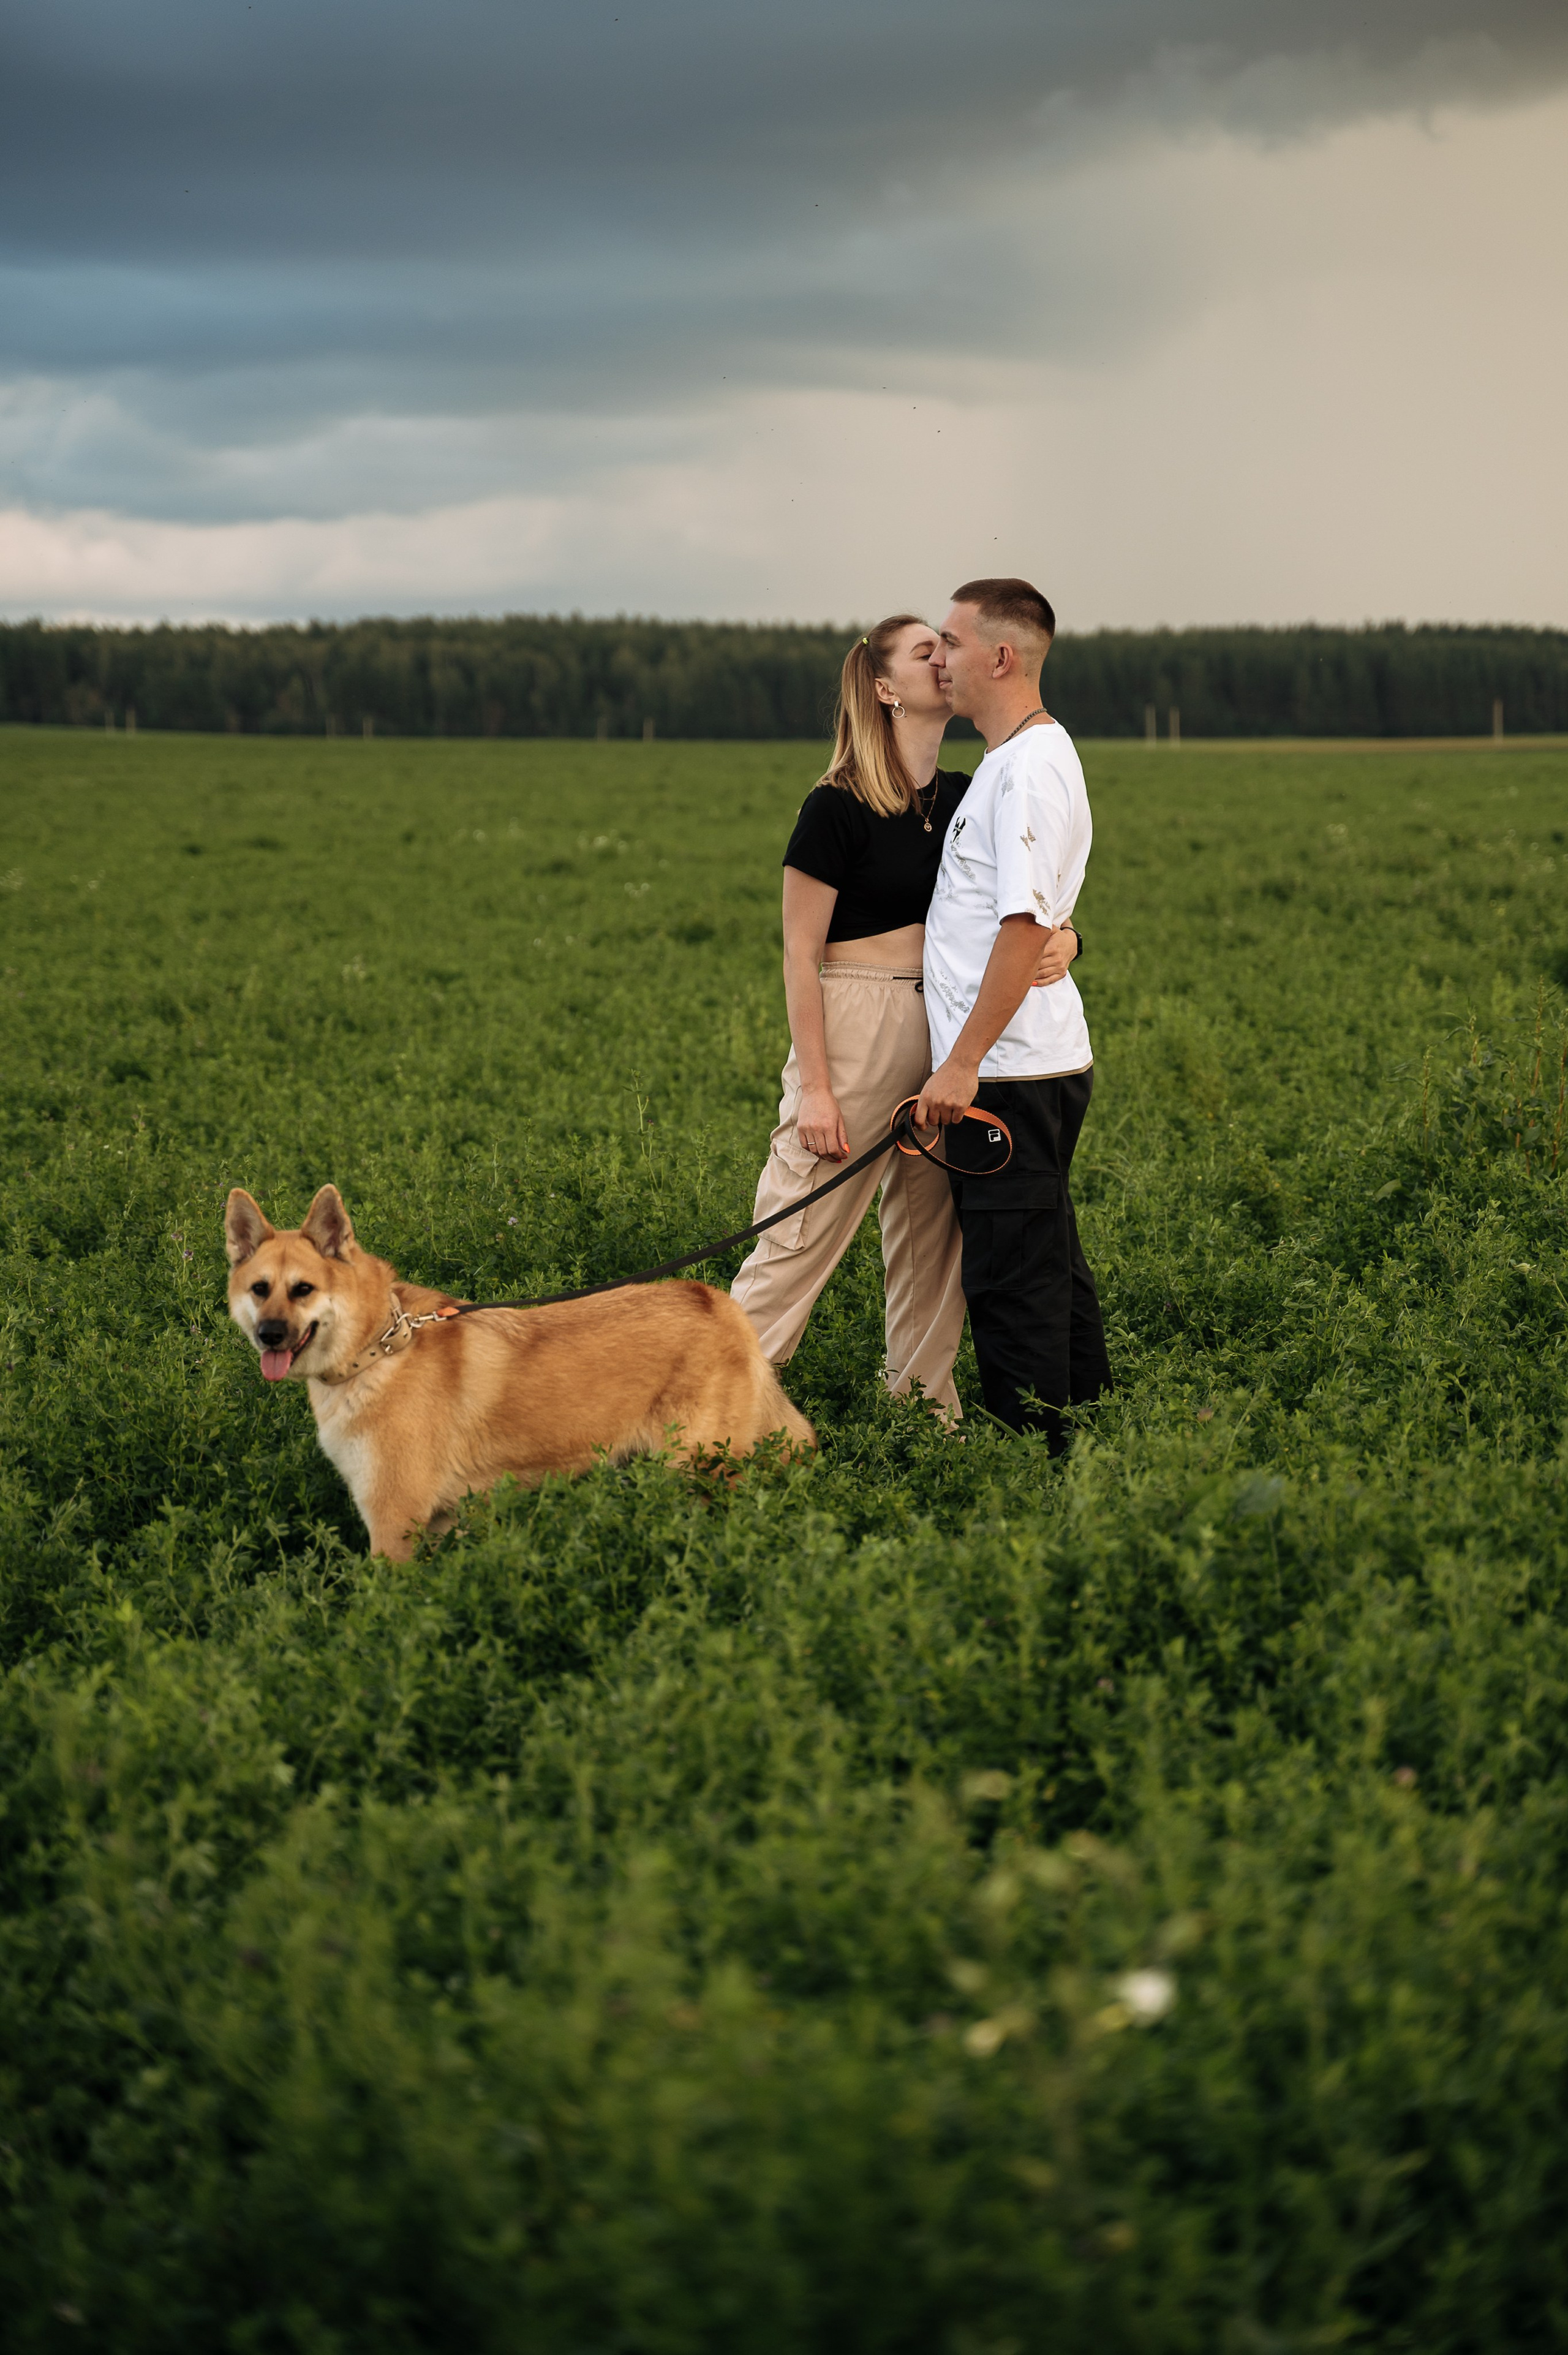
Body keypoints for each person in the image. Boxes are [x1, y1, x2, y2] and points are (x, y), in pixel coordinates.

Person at [731, 613, 1078, 1418]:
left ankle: (923, 1419)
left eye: (949, 650)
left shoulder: (969, 794)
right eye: (929, 653)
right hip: (861, 1021)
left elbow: (1034, 896)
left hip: (951, 1028)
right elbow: (798, 956)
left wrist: (1068, 939)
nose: (946, 662)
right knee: (797, 1233)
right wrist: (815, 1089)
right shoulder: (835, 807)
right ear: (886, 689)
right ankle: (703, 1419)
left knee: (935, 1240)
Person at [913, 577, 1111, 1446]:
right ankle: (1092, 1445)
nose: (937, 658)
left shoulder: (1027, 768)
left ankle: (1037, 1471)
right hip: (1026, 1061)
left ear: (1001, 655)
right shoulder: (1016, 760)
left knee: (1014, 1282)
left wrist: (961, 1064)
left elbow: (1026, 924)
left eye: (950, 643)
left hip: (1011, 1073)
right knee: (1048, 1267)